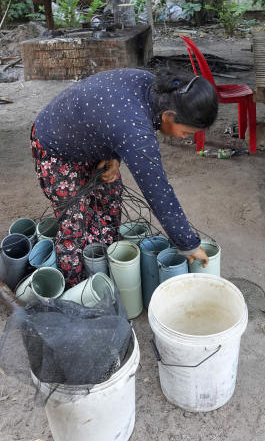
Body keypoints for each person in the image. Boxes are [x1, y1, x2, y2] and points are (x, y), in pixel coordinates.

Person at [31, 68, 215, 286]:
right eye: (187, 133)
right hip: (56, 146)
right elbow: (158, 192)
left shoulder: (153, 89)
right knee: (74, 224)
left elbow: (111, 117)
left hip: (85, 137)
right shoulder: (136, 131)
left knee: (108, 203)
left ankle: (107, 271)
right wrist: (189, 244)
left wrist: (114, 156)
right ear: (168, 116)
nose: (185, 138)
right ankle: (77, 292)